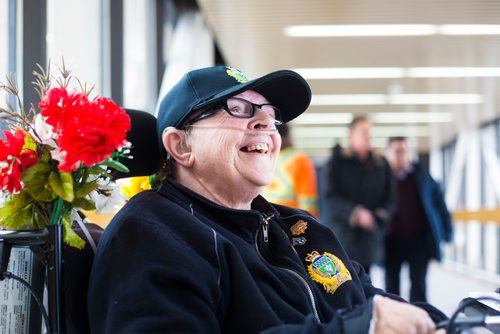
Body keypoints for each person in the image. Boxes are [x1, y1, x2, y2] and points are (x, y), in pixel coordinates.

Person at [87, 66, 446, 333]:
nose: (266, 123)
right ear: (181, 145)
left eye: (272, 116)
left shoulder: (299, 229)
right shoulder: (153, 234)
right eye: (238, 108)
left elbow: (367, 299)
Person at [321, 116, 396, 274]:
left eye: (370, 132)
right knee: (343, 285)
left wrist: (380, 214)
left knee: (366, 285)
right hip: (341, 239)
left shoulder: (381, 164)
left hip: (369, 239)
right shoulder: (335, 163)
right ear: (350, 135)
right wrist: (355, 213)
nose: (369, 136)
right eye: (363, 132)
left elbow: (391, 198)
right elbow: (329, 198)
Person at [384, 137, 453, 302]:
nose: (401, 155)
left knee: (419, 285)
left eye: (404, 151)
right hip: (390, 240)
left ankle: (420, 318)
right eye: (396, 151)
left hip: (418, 240)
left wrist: (447, 232)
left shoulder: (423, 177)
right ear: (388, 154)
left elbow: (439, 205)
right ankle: (396, 321)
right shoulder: (381, 178)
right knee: (391, 285)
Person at [261, 123, 319, 217]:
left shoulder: (258, 157)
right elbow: (307, 200)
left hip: (261, 218)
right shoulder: (299, 159)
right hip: (290, 220)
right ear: (288, 135)